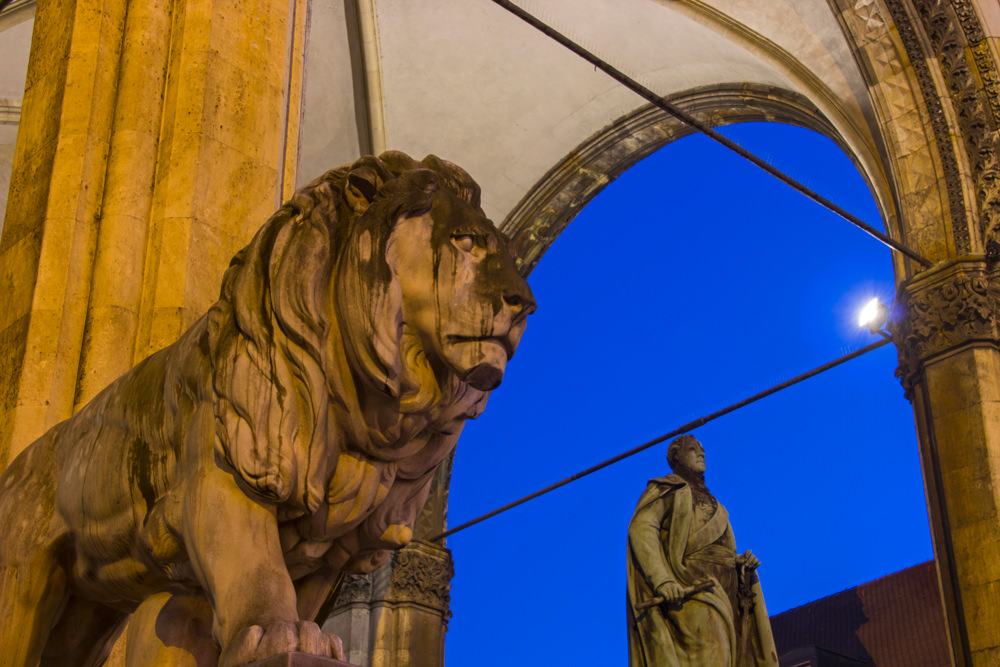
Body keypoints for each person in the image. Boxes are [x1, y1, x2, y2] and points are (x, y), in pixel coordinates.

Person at [626, 434, 778, 666]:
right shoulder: (667, 489)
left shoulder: (716, 504)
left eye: (702, 449)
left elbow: (720, 551)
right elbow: (642, 528)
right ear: (676, 456)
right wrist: (663, 580)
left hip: (726, 591)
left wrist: (740, 562)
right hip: (690, 586)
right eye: (693, 449)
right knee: (712, 655)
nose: (701, 453)